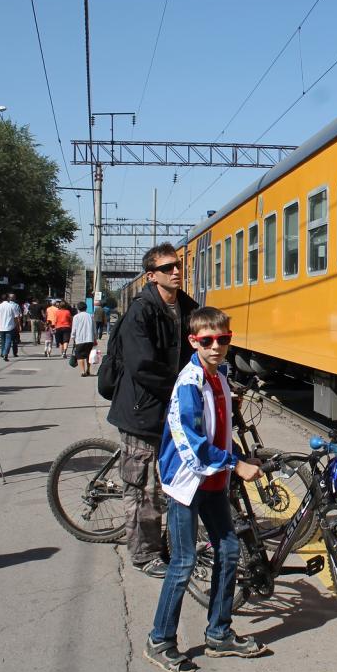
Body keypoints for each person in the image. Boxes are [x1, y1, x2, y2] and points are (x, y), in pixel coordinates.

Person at [144, 307, 265, 672]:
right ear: (193, 341)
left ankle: (219, 633)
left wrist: (235, 455)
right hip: (187, 482)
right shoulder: (189, 384)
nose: (217, 346)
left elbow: (219, 429)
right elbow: (194, 447)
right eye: (207, 340)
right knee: (182, 562)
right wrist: (236, 464)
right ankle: (160, 640)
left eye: (223, 339)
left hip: (212, 480)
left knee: (228, 550)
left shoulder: (219, 376)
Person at [106, 243, 198, 578]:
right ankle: (144, 554)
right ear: (151, 276)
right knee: (142, 487)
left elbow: (201, 345)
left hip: (171, 409)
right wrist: (180, 388)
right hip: (141, 411)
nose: (176, 271)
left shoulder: (187, 307)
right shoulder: (141, 311)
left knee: (172, 481)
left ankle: (173, 541)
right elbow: (142, 365)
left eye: (178, 265)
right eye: (167, 267)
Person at [70, 300, 96, 377]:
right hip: (89, 339)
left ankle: (83, 371)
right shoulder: (91, 316)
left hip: (79, 339)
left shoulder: (76, 317)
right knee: (88, 355)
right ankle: (88, 370)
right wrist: (95, 337)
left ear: (78, 308)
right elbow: (94, 328)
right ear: (86, 308)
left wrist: (73, 336)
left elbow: (74, 328)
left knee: (80, 356)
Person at [0, 294, 21, 361]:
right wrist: (18, 326)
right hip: (10, 327)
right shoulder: (12, 306)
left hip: (1, 327)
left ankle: (2, 352)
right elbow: (16, 318)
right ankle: (5, 354)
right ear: (8, 298)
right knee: (8, 341)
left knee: (3, 341)